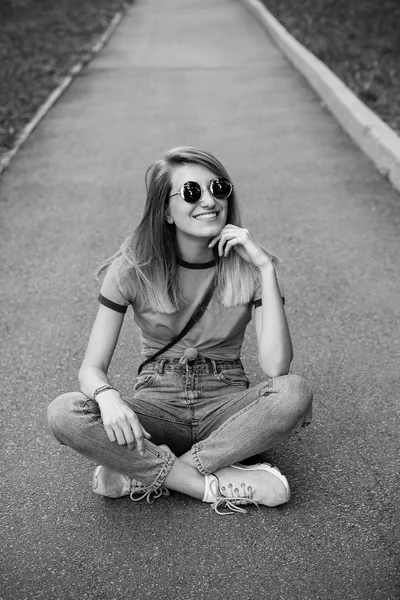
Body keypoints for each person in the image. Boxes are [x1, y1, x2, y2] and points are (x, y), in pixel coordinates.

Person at [47, 146, 313, 515]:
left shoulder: (249, 266)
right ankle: (208, 483)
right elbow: (90, 369)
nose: (209, 200)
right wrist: (108, 397)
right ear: (165, 212)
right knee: (65, 412)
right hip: (158, 404)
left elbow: (275, 368)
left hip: (226, 407)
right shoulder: (133, 268)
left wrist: (266, 268)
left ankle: (146, 472)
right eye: (191, 192)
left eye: (218, 188)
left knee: (293, 392)